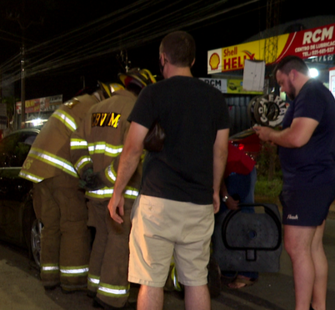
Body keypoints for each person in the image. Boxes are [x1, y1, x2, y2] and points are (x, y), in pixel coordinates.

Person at [108, 31, 230, 310]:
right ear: (194, 60)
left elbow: (132, 148)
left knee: (150, 282)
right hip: (198, 204)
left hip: (157, 204)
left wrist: (117, 194)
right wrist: (214, 190)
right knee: (197, 280)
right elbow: (220, 151)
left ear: (163, 59)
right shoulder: (214, 98)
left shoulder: (153, 94)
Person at [253, 55, 335, 310]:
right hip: (317, 179)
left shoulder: (310, 94)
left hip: (308, 181)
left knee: (296, 247)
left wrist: (270, 134)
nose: (281, 89)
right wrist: (275, 137)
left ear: (292, 74)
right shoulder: (313, 94)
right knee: (312, 247)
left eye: (281, 82)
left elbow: (298, 137)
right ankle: (318, 306)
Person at [19, 83, 121, 292]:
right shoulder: (95, 110)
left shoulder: (78, 103)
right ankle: (72, 281)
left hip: (38, 170)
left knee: (51, 226)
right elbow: (89, 146)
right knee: (74, 224)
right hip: (61, 172)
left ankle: (49, 277)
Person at [69, 69, 155, 309]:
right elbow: (134, 154)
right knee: (119, 241)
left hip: (94, 191)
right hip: (121, 192)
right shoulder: (137, 111)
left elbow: (76, 142)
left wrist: (87, 173)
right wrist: (108, 179)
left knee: (102, 238)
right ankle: (110, 296)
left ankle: (94, 287)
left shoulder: (96, 109)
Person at [218, 144, 259, 289]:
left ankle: (247, 272)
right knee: (225, 221)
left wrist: (225, 196)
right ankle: (228, 269)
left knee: (242, 220)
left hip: (238, 169)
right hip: (236, 166)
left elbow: (217, 166)